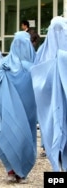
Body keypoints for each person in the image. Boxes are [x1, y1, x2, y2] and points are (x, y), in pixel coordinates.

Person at [0, 31, 37, 183]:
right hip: (12, 109)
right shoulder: (8, 64)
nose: (20, 47)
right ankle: (13, 171)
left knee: (21, 137)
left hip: (27, 110)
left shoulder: (31, 64)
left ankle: (20, 171)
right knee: (11, 135)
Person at [31, 16, 67, 171]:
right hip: (49, 108)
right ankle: (57, 175)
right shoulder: (42, 53)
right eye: (55, 31)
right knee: (54, 138)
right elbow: (36, 78)